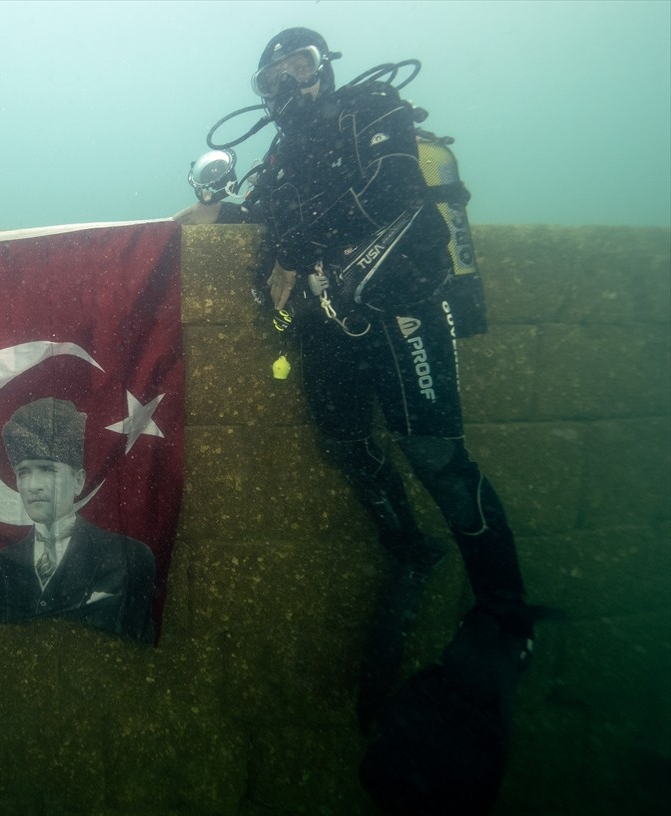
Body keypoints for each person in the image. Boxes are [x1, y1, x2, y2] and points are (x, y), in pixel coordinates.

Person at [174, 28, 534, 726]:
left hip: (402, 315)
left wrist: (297, 248)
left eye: (298, 67)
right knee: (343, 445)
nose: (285, 84)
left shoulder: (372, 110)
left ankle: (507, 613)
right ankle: (409, 548)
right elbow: (269, 241)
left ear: (324, 70)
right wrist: (246, 247)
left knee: (437, 459)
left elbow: (394, 194)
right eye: (269, 77)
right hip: (326, 332)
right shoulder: (276, 162)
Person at [0, 398, 156, 642]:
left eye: (47, 469)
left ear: (79, 481)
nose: (33, 486)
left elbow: (140, 646)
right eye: (23, 472)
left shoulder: (129, 556)